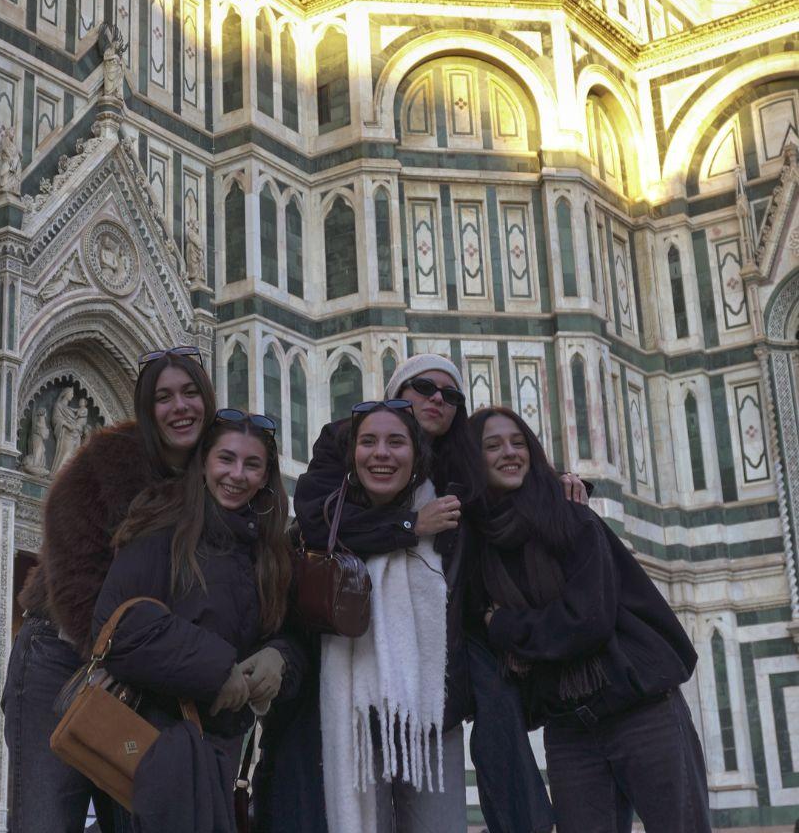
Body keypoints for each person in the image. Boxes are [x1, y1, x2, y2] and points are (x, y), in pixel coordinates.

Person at [259, 354, 581, 833]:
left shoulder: (458, 469)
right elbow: (321, 520)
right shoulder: (345, 443)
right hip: (349, 675)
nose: (437, 400)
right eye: (424, 387)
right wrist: (408, 525)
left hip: (433, 683)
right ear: (394, 392)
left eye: (451, 396)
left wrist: (556, 486)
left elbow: (504, 498)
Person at [466, 406, 710, 833]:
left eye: (518, 442)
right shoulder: (478, 551)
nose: (509, 452)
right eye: (492, 445)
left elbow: (587, 621)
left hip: (640, 710)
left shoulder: (573, 518)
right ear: (473, 460)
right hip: (569, 729)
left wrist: (505, 627)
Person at [3, 346, 215, 833]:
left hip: (149, 673)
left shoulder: (220, 474)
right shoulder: (110, 458)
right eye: (163, 397)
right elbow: (76, 585)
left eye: (189, 393)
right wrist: (146, 657)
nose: (179, 407)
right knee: (47, 820)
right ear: (146, 407)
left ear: (207, 398)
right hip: (61, 658)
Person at [93, 411, 304, 832]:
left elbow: (285, 635)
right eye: (226, 459)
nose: (237, 475)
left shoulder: (270, 551)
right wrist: (215, 669)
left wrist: (279, 660)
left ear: (266, 477)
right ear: (204, 461)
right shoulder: (164, 525)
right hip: (150, 743)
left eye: (252, 465)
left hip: (220, 750)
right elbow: (119, 626)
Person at [318, 399, 468, 833]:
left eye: (396, 442)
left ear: (417, 456)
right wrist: (409, 525)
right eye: (368, 442)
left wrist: (565, 487)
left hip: (433, 717)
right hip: (353, 717)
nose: (381, 453)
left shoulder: (450, 521)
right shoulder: (328, 522)